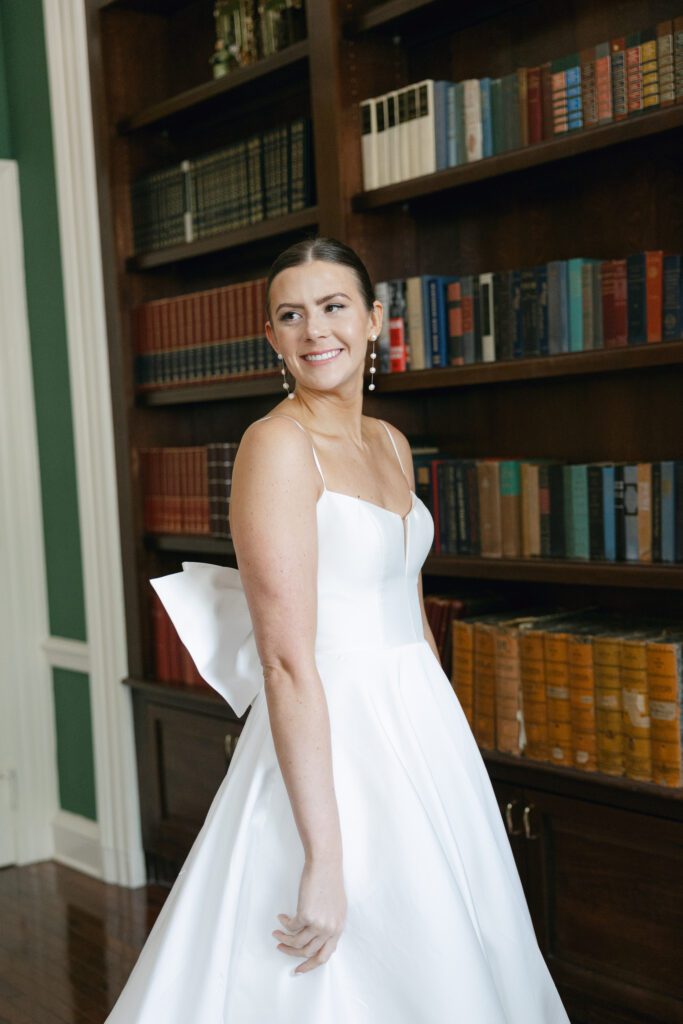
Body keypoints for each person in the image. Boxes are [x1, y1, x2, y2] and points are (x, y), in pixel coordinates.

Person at [105, 237, 572, 1022]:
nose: (315, 330)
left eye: (333, 307)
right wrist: (322, 857)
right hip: (331, 735)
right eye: (291, 315)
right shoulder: (276, 446)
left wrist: (450, 760)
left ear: (374, 320)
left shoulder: (389, 442)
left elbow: (409, 609)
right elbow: (286, 663)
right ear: (272, 340)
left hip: (418, 723)